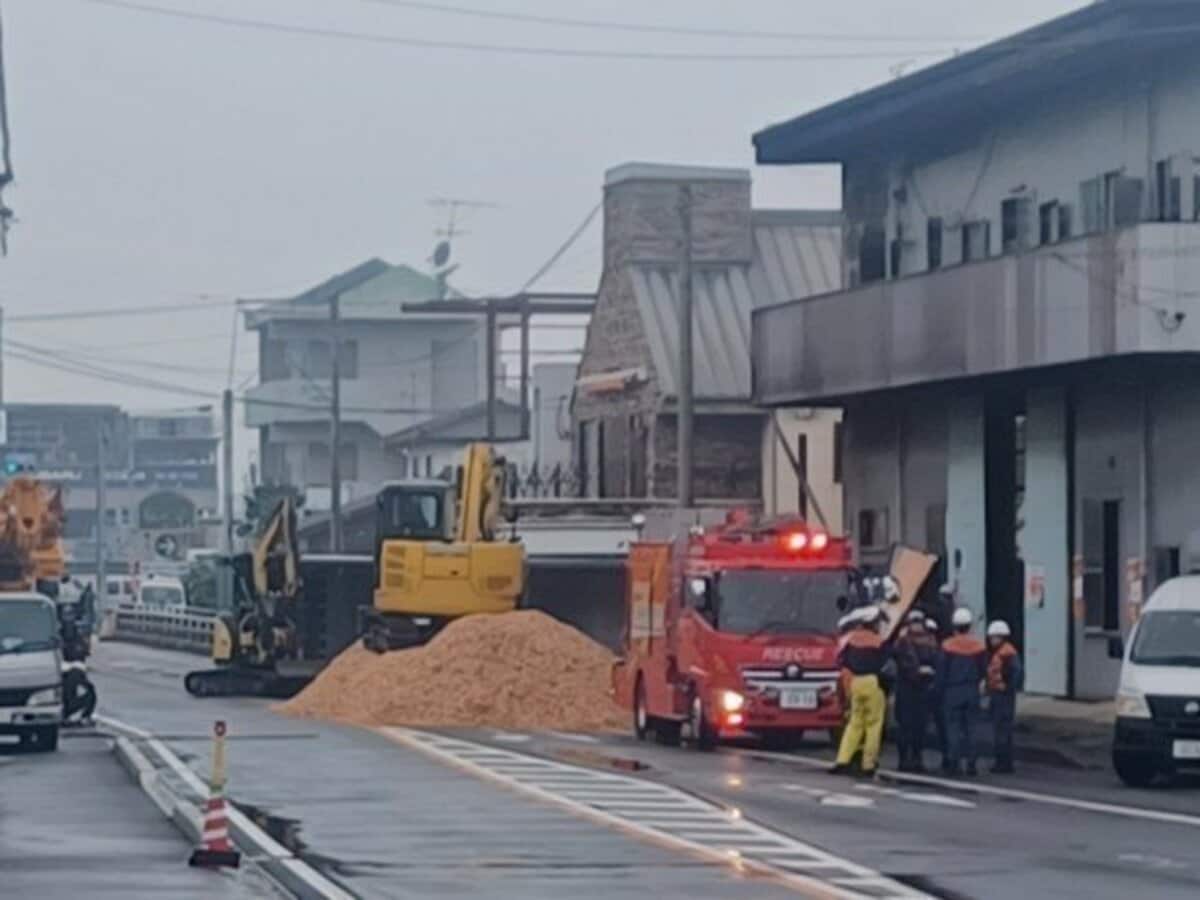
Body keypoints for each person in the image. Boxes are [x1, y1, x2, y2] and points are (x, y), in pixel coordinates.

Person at [830, 607, 890, 778]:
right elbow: (886, 664)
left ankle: (842, 760)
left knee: (854, 724)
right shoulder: (879, 641)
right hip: (872, 682)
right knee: (873, 725)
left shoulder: (851, 640)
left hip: (855, 683)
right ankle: (868, 764)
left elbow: (842, 661)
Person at [937, 607, 987, 776]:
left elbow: (942, 671)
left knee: (953, 727)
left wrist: (938, 690)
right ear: (970, 625)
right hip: (971, 690)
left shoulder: (947, 645)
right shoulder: (978, 646)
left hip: (953, 690)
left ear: (954, 626)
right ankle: (972, 764)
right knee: (972, 728)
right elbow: (983, 669)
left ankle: (953, 763)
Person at [894, 609, 940, 772]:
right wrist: (917, 671)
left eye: (919, 622)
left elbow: (936, 659)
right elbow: (903, 662)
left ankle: (916, 758)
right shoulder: (903, 641)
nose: (917, 626)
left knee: (920, 728)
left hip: (923, 689)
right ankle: (904, 759)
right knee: (905, 727)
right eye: (914, 622)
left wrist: (930, 672)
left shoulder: (929, 641)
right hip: (906, 688)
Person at [986, 620, 1023, 774]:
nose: (991, 640)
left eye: (993, 637)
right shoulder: (1003, 652)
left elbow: (1015, 674)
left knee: (1002, 730)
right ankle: (1003, 762)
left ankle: (1003, 763)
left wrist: (1007, 689)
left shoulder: (1006, 653)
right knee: (1002, 729)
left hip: (1003, 696)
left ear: (1000, 637)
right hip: (999, 694)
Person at [925, 616, 950, 770]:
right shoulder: (931, 648)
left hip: (936, 692)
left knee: (943, 727)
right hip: (928, 691)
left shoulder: (939, 650)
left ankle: (948, 757)